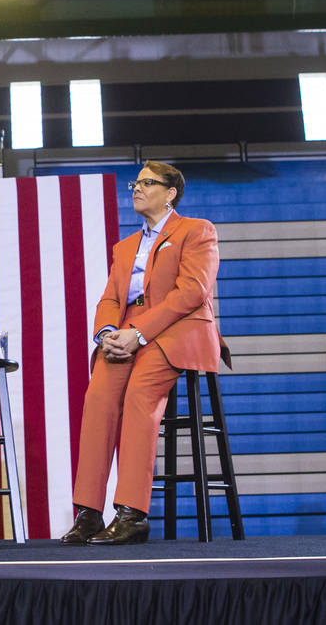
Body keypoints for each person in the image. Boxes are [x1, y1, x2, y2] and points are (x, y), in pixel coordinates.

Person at [60, 160, 230, 546]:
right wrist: (106, 334)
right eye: (135, 183)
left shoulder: (196, 231)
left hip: (175, 330)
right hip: (128, 333)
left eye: (147, 183)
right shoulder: (124, 247)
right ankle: (88, 512)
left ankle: (131, 513)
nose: (136, 189)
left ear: (170, 193)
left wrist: (139, 332)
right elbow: (111, 298)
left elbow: (191, 293)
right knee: (99, 397)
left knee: (140, 396)